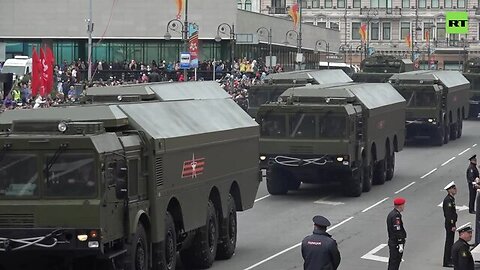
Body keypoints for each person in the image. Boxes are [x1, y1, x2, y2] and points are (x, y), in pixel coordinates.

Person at [386, 197, 407, 270]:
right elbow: (397, 230)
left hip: (393, 242)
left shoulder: (392, 213)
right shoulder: (396, 216)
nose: (404, 206)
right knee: (395, 262)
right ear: (400, 206)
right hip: (395, 243)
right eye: (403, 205)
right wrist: (400, 242)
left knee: (393, 261)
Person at [443, 181, 458, 267]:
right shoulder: (448, 200)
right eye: (454, 188)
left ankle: (450, 258)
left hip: (451, 223)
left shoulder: (451, 199)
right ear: (449, 190)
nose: (455, 190)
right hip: (449, 224)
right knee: (449, 243)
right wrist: (452, 225)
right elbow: (449, 215)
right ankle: (446, 261)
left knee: (450, 242)